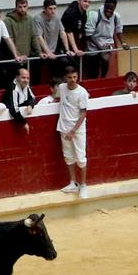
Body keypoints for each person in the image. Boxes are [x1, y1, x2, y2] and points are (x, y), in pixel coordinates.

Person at [54, 66, 88, 198]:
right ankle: (73, 183)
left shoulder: (82, 92)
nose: (73, 80)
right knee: (68, 156)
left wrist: (73, 130)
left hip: (77, 130)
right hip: (64, 127)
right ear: (65, 78)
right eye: (70, 77)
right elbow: (57, 98)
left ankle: (83, 185)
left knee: (80, 157)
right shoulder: (62, 88)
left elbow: (83, 113)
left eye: (75, 77)